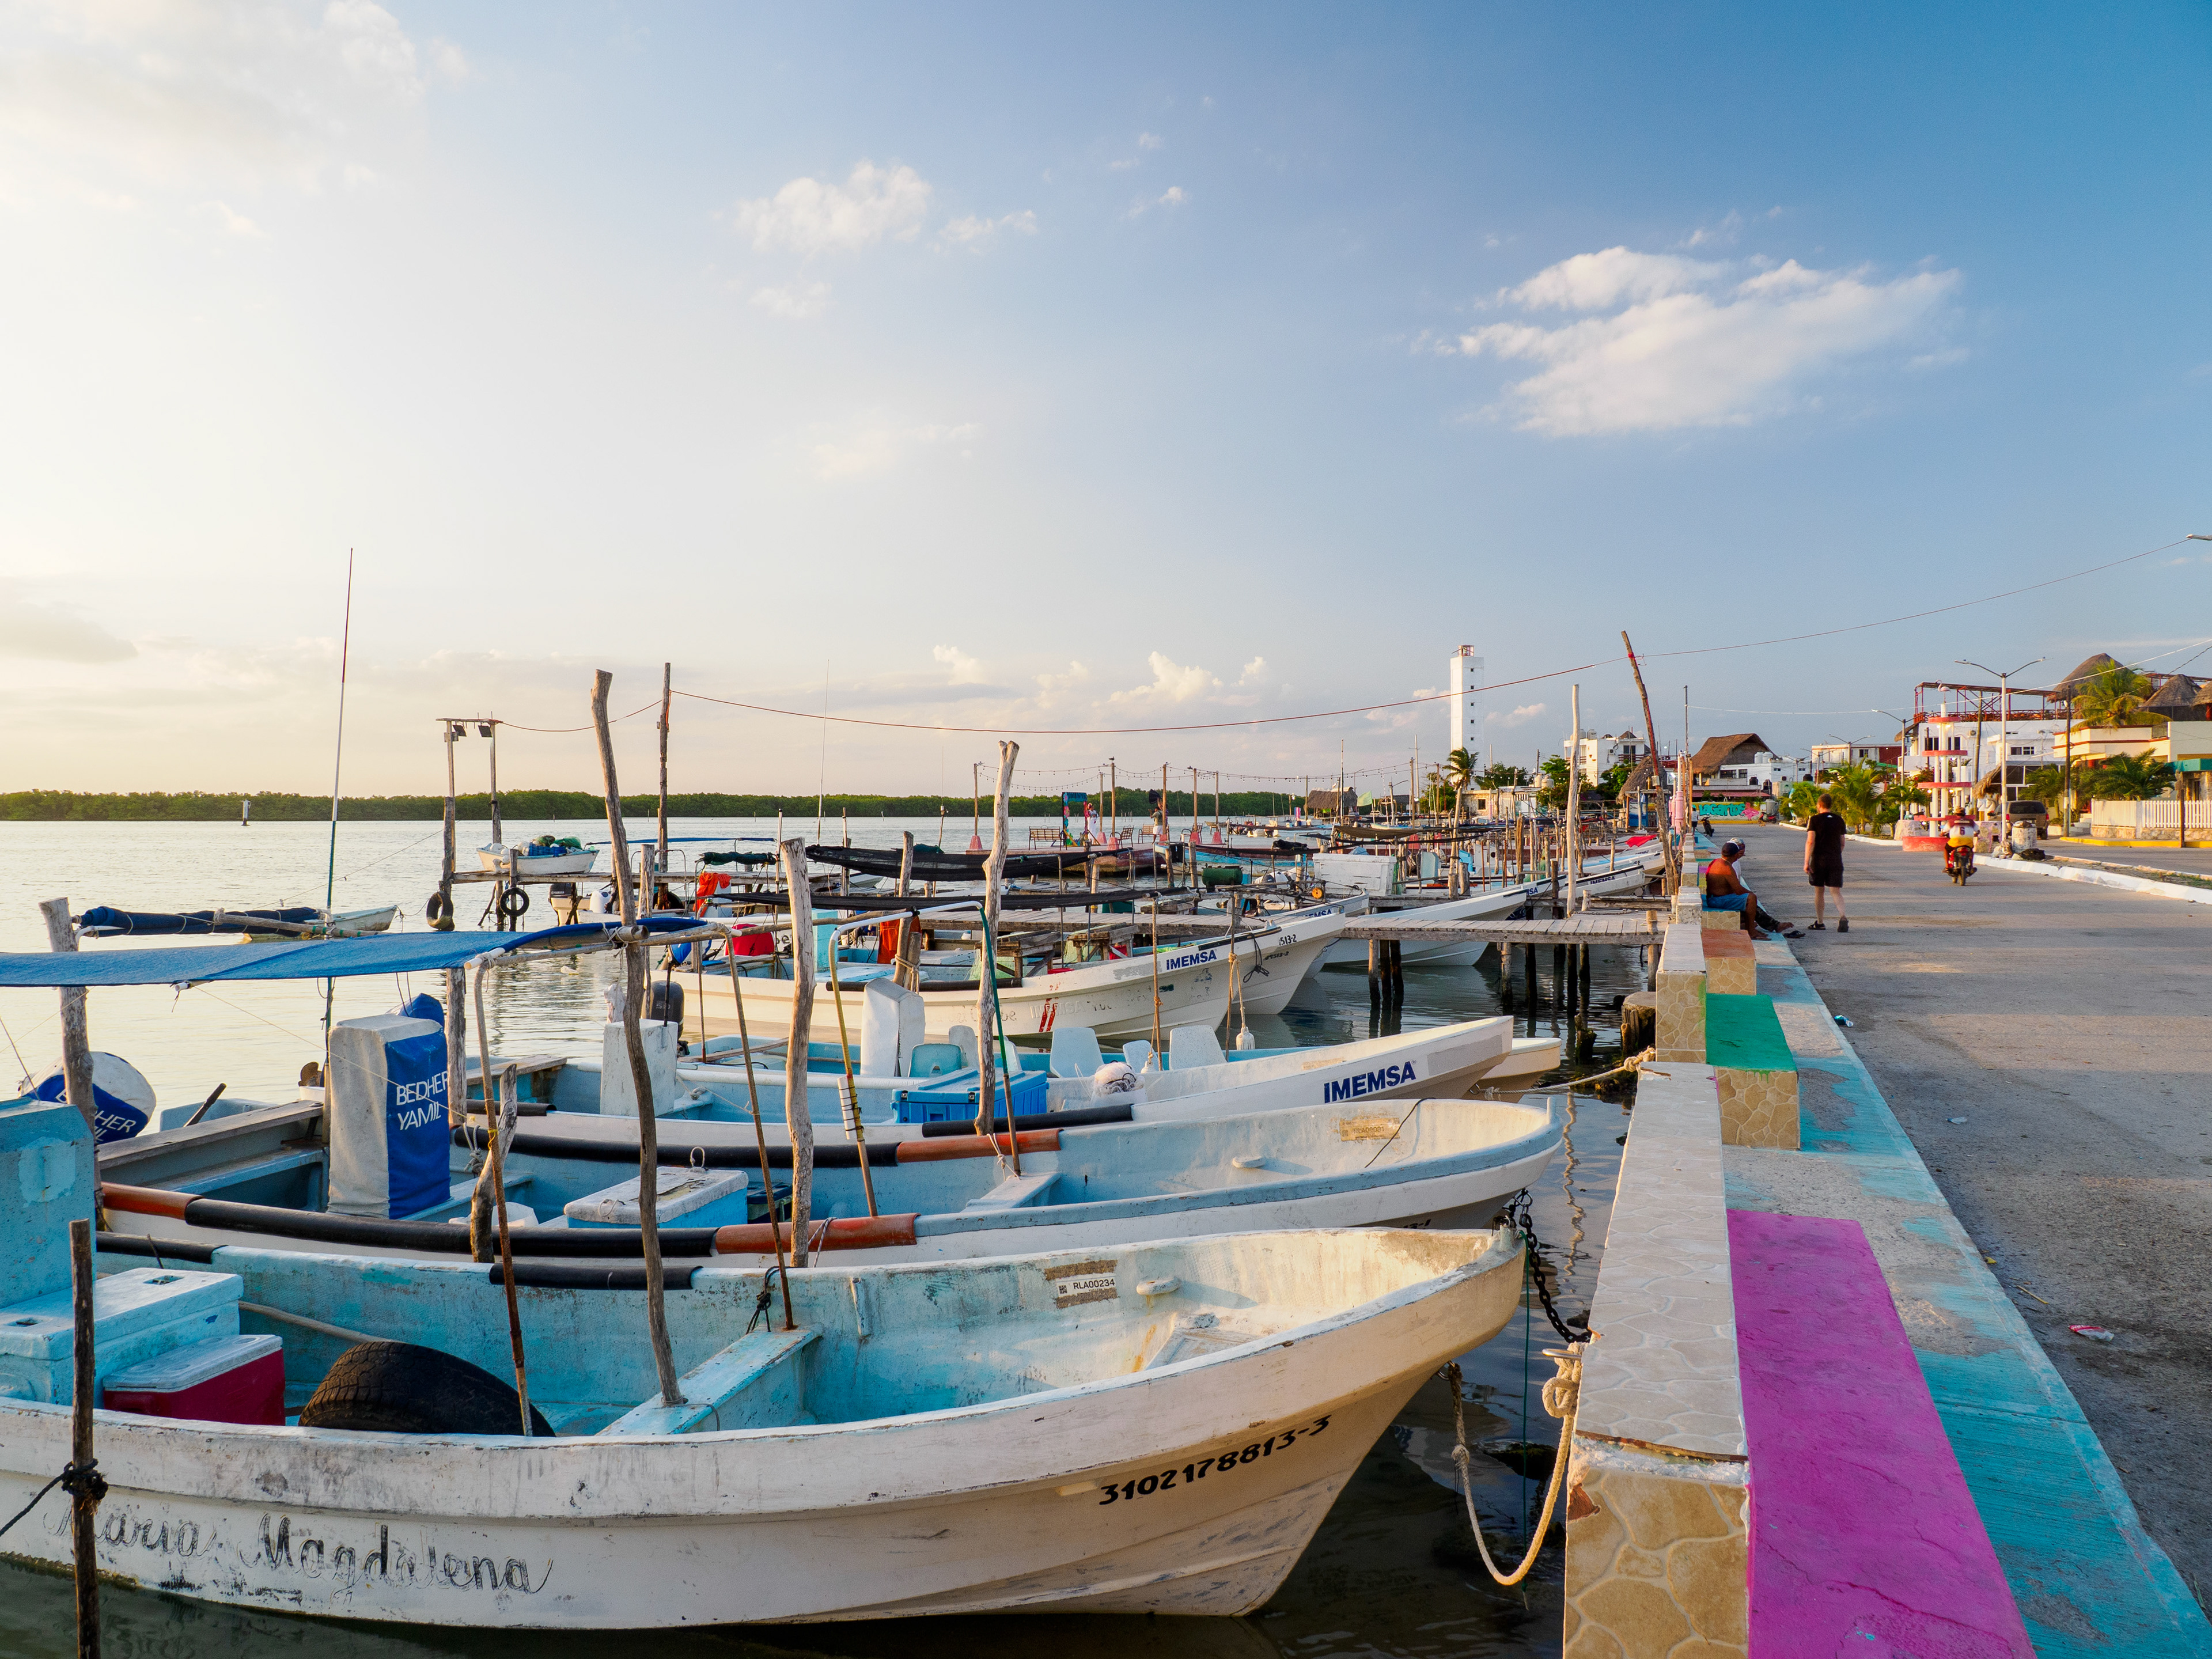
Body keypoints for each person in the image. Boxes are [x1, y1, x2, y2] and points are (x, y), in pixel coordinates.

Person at [1704, 839, 1802, 940]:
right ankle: (1751, 932)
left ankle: (1764, 926)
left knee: (1750, 899)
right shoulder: (1726, 867)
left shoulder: (1717, 862)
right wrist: (1751, 894)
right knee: (1751, 898)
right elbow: (1739, 890)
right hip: (1716, 901)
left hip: (1715, 898)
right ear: (1735, 855)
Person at [1804, 793, 1849, 933]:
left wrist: (1806, 862)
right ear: (1831, 805)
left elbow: (1811, 841)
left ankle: (1820, 922)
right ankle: (1843, 917)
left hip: (1819, 860)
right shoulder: (1839, 820)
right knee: (1836, 892)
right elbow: (1842, 843)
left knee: (1819, 891)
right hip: (1836, 860)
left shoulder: (1815, 820)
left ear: (1819, 805)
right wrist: (1835, 855)